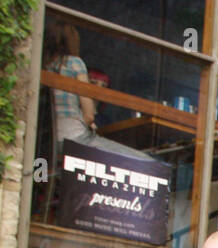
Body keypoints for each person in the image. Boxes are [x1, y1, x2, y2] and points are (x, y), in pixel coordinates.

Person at [42, 19, 147, 160]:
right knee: (140, 159)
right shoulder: (74, 63)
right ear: (72, 41)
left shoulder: (43, 67)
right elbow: (89, 115)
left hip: (49, 143)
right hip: (74, 138)